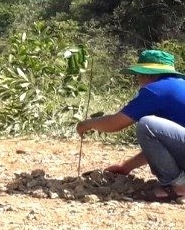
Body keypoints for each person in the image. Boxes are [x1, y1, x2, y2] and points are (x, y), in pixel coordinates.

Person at [77, 49, 185, 201]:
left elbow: (115, 124)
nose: (137, 79)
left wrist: (87, 124)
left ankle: (178, 185)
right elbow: (165, 146)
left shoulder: (155, 90)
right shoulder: (177, 87)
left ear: (148, 75)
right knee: (150, 126)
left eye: (138, 75)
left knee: (147, 124)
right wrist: (125, 167)